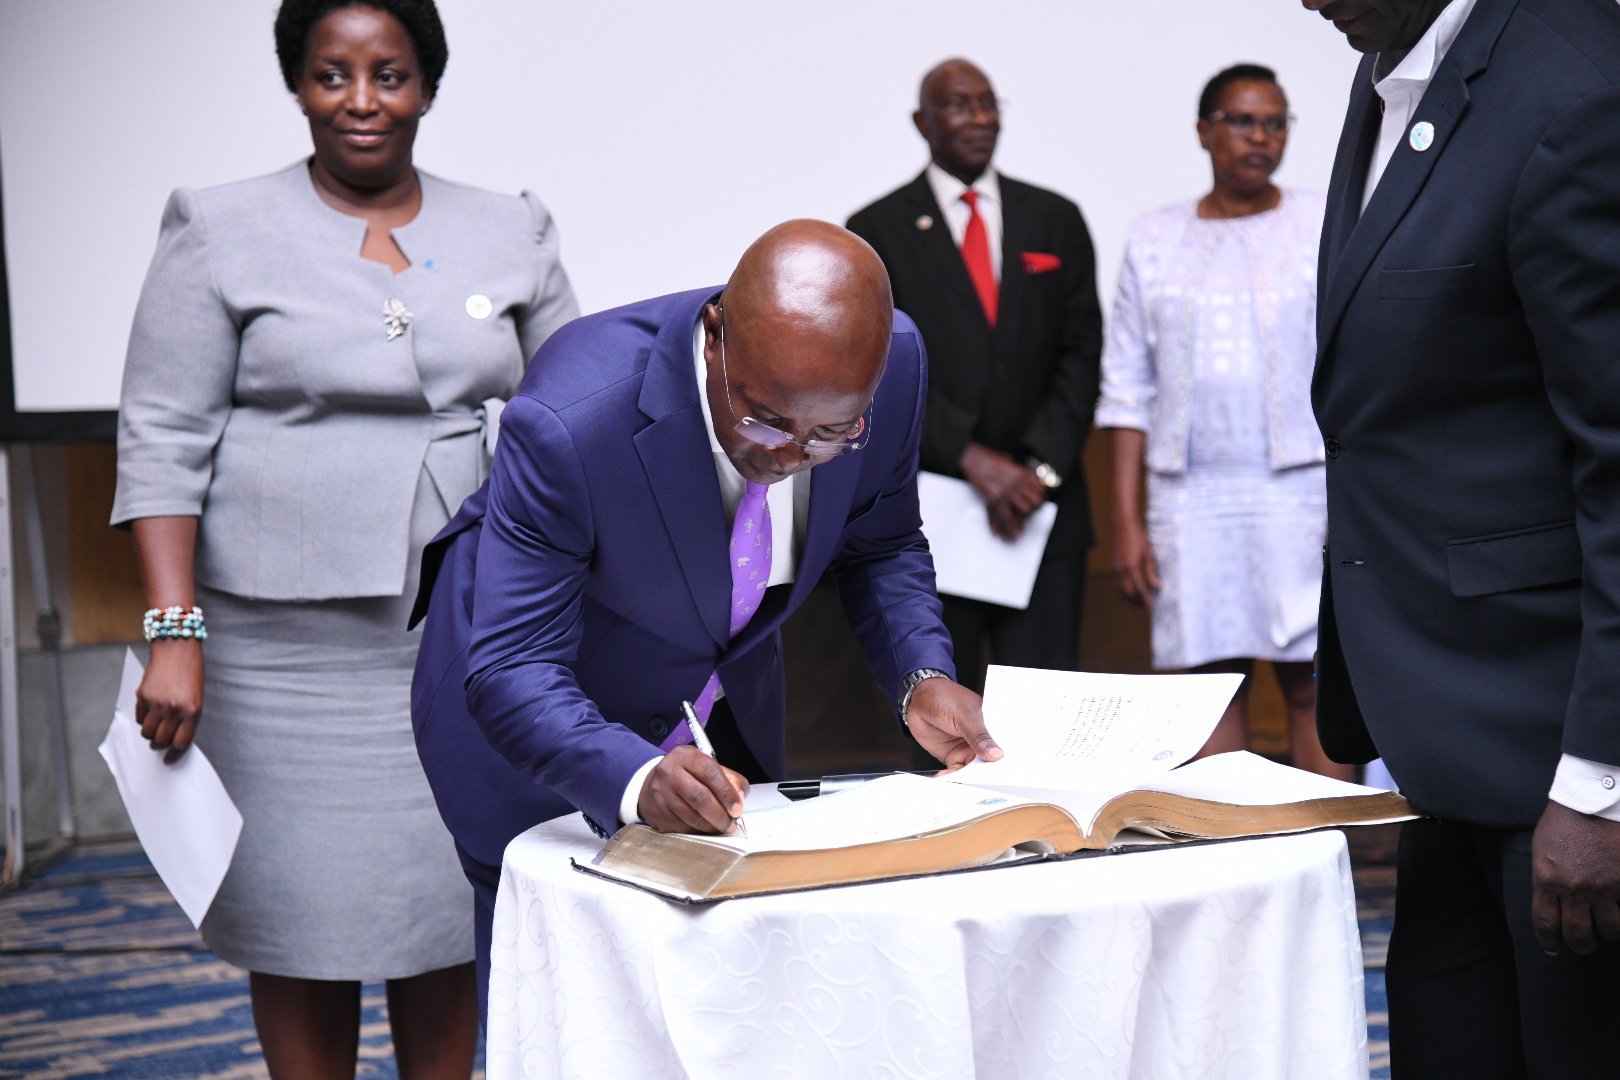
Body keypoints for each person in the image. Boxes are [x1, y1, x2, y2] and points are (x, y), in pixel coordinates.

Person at [111, 0, 578, 1074]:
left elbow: (574, 406)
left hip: (467, 635)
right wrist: (175, 628)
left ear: (427, 84)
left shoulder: (512, 227)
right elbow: (164, 435)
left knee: (450, 903)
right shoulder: (218, 226)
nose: (361, 101)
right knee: (298, 922)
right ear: (298, 84)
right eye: (332, 75)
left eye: (389, 75)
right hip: (285, 658)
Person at [409, 219, 1000, 1017]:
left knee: (737, 1002)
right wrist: (634, 776)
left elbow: (881, 542)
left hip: (719, 704)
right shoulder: (574, 416)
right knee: (570, 1012)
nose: (791, 457)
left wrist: (921, 674)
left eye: (831, 434)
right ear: (716, 338)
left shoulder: (889, 365)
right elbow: (515, 667)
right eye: (764, 420)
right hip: (545, 717)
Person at [1300, 0, 1620, 1074]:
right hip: (1440, 741)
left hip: (1560, 765)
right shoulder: (1391, 59)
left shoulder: (1577, 90)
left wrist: (1599, 782)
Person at [1097, 64, 1349, 780]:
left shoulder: (1318, 221)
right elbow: (1124, 389)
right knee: (1208, 688)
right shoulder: (1153, 238)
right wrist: (1126, 523)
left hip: (1301, 486)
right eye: (1243, 121)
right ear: (1206, 130)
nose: (1261, 137)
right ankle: (1239, 869)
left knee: (1312, 679)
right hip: (1190, 494)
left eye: (1276, 122)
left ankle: (1326, 858)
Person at [846, 58, 1103, 699]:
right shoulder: (874, 231)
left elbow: (1083, 354)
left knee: (1047, 712)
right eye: (961, 105)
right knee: (941, 709)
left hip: (1043, 512)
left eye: (989, 104)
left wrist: (1038, 470)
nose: (980, 118)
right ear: (922, 121)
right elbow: (871, 371)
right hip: (930, 516)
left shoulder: (1056, 219)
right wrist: (968, 455)